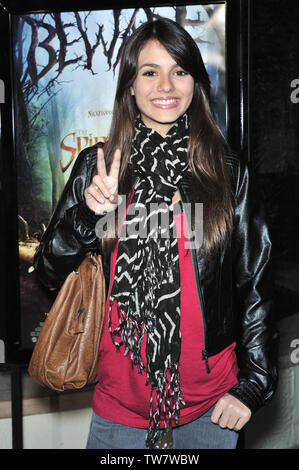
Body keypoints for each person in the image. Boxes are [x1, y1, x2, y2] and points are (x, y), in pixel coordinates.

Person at [34, 18, 278, 450]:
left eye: (179, 71)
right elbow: (49, 270)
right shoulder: (98, 166)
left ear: (195, 82)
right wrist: (89, 214)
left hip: (211, 408)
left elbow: (255, 284)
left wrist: (255, 383)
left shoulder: (226, 171)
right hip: (119, 411)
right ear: (130, 84)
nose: (165, 85)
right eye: (150, 72)